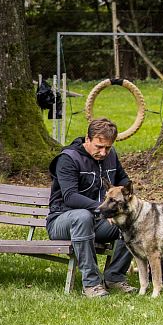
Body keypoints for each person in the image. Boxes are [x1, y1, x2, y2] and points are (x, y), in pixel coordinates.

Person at [47, 118, 136, 297]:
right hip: (62, 220)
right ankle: (92, 284)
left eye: (108, 148)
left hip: (97, 221)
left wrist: (128, 201)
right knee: (82, 217)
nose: (103, 152)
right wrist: (103, 209)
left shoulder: (111, 155)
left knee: (132, 222)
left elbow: (123, 181)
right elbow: (70, 197)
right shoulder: (68, 159)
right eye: (99, 147)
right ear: (87, 139)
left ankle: (115, 277)